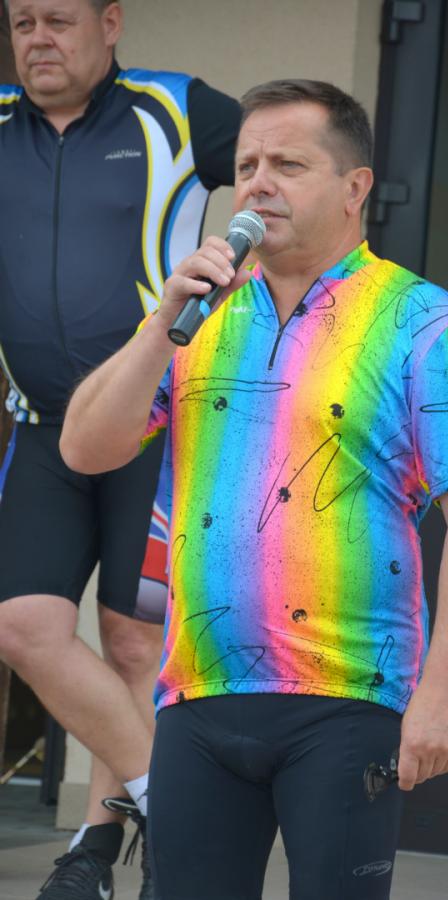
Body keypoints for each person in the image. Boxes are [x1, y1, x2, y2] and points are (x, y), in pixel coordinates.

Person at [60, 79, 448, 900]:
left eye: (288, 165)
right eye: (247, 166)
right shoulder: (200, 314)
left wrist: (444, 695)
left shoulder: (426, 324)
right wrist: (161, 323)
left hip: (347, 701)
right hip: (197, 697)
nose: (258, 183)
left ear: (354, 187)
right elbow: (85, 448)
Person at [0, 1, 240, 898]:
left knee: (135, 646)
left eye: (57, 19)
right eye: (21, 22)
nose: (37, 39)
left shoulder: (177, 110)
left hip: (157, 429)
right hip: (41, 428)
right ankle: (178, 822)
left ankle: (96, 853)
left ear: (110, 23)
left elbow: (291, 174)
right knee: (22, 627)